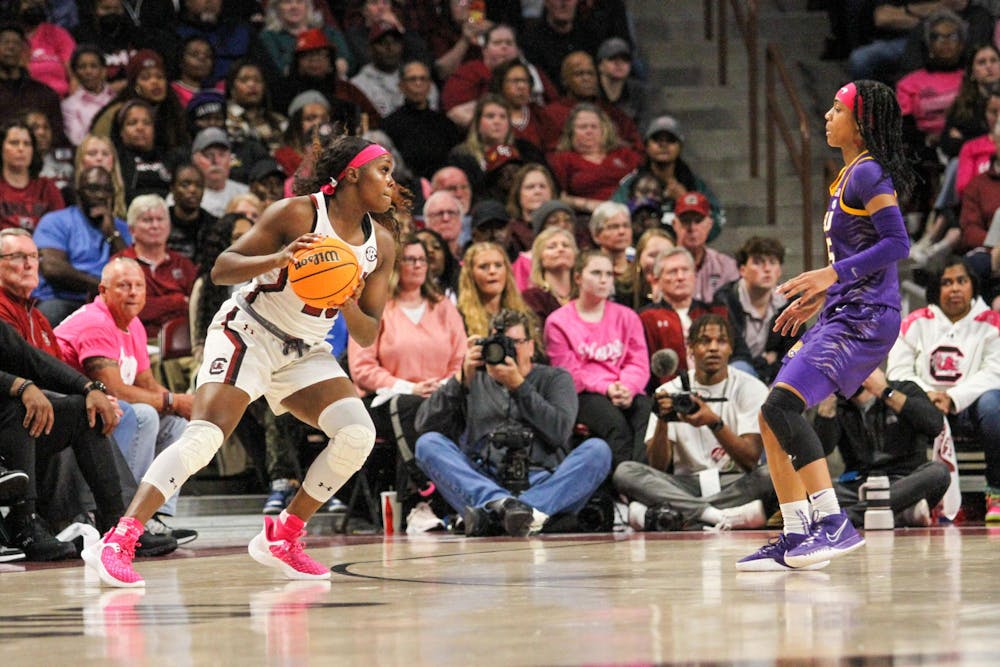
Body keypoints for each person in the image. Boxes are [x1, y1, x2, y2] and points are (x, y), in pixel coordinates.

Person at [82, 133, 399, 588]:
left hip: (304, 349)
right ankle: (118, 539)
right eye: (383, 171)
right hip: (248, 333)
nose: (392, 182)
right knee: (203, 439)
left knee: (356, 434)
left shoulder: (381, 244)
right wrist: (281, 258)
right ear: (351, 175)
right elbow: (223, 268)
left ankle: (283, 535)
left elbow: (368, 331)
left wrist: (348, 301)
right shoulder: (297, 212)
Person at [737, 80, 916, 572]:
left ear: (861, 123)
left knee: (782, 407)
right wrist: (822, 295)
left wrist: (829, 274)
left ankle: (833, 522)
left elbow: (898, 245)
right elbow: (862, 257)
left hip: (866, 318)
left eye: (837, 109)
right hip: (842, 311)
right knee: (770, 418)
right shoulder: (847, 177)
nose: (827, 116)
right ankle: (797, 533)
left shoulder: (870, 173)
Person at [414, 308, 612, 536]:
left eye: (515, 342)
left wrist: (519, 386)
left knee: (598, 451)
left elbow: (558, 432)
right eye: (499, 343)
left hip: (544, 481)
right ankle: (507, 507)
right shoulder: (473, 378)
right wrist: (460, 379)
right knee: (427, 444)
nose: (507, 350)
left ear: (531, 345)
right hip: (483, 480)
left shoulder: (555, 379)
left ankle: (500, 516)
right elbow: (424, 425)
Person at [614, 314, 773, 531]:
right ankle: (717, 516)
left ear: (731, 349)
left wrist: (714, 423)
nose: (713, 348)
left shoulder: (751, 388)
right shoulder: (668, 391)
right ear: (690, 348)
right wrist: (662, 421)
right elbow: (658, 466)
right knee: (626, 471)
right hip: (683, 483)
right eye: (705, 341)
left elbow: (749, 461)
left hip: (733, 482)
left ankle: (672, 516)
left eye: (721, 341)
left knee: (773, 473)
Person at [348, 234, 466, 509]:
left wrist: (443, 387)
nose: (417, 265)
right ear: (394, 264)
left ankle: (444, 500)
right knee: (413, 409)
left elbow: (461, 359)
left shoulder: (444, 307)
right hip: (387, 400)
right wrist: (408, 387)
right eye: (410, 259)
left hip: (441, 396)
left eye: (422, 260)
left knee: (447, 410)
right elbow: (362, 368)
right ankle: (423, 500)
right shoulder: (374, 307)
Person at [886, 257, 1000, 522]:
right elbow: (897, 371)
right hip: (925, 407)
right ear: (936, 288)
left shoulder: (992, 323)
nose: (955, 288)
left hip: (971, 409)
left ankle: (996, 492)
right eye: (947, 282)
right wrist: (927, 394)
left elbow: (995, 371)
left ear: (973, 285)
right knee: (895, 399)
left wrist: (953, 397)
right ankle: (910, 494)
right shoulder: (915, 322)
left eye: (962, 281)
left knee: (994, 404)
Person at [544, 249, 652, 467]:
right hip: (584, 394)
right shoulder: (558, 321)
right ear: (578, 277)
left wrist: (627, 387)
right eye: (596, 273)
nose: (604, 280)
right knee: (614, 424)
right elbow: (569, 374)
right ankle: (624, 488)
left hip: (624, 389)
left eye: (609, 274)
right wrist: (607, 388)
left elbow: (638, 362)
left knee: (648, 413)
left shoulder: (627, 316)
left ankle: (642, 483)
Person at [814, 367, 952, 528]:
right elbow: (819, 451)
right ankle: (902, 513)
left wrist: (885, 392)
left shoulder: (905, 389)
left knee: (938, 472)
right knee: (814, 490)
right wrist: (826, 406)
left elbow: (934, 425)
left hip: (906, 482)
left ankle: (852, 517)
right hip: (860, 486)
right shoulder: (839, 405)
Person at [33, 165, 132, 326]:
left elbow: (131, 272)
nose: (100, 195)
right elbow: (52, 269)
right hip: (64, 299)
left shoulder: (120, 229)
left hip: (109, 304)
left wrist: (112, 234)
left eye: (106, 190)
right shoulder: (56, 221)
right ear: (78, 192)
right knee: (51, 312)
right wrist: (100, 285)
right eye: (93, 189)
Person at [612, 115, 726, 241]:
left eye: (670, 140)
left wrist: (685, 200)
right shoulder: (631, 183)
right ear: (646, 146)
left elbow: (716, 224)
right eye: (657, 140)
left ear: (680, 147)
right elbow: (612, 218)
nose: (663, 145)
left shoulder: (695, 184)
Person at [712, 236, 800, 385]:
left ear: (779, 271)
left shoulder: (791, 302)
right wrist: (764, 361)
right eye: (758, 262)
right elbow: (734, 349)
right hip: (735, 371)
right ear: (742, 270)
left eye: (772, 262)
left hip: (775, 373)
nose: (766, 269)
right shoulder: (725, 299)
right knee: (740, 369)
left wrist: (770, 368)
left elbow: (794, 350)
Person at [112, 195, 198, 338]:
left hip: (181, 345)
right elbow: (130, 309)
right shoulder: (120, 264)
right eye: (147, 220)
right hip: (133, 342)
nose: (155, 225)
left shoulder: (183, 264)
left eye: (160, 219)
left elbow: (196, 308)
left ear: (169, 226)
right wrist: (177, 301)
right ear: (131, 229)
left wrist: (153, 305)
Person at [548, 103, 642, 214]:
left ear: (604, 129)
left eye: (594, 127)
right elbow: (559, 197)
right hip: (586, 216)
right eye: (583, 127)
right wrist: (588, 205)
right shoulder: (563, 159)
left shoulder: (624, 154)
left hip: (630, 212)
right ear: (571, 131)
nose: (589, 131)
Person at [381, 60, 462, 181]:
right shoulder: (389, 125)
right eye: (412, 79)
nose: (418, 83)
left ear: (430, 85)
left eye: (423, 79)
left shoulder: (445, 124)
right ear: (401, 86)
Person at [456, 241, 533, 340]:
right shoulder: (459, 318)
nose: (492, 271)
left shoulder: (524, 314)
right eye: (483, 267)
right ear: (470, 275)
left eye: (498, 265)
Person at [0, 23, 64, 142]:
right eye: (4, 42)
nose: (11, 47)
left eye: (16, 43)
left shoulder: (45, 95)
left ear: (26, 51)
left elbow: (57, 136)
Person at [0, 117, 65, 232]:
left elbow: (60, 230)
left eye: (27, 144)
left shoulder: (47, 187)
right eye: (14, 143)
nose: (21, 148)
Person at [672, 192, 738, 304]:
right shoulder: (664, 266)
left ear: (710, 224)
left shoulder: (726, 266)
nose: (692, 227)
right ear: (674, 224)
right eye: (686, 221)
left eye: (698, 220)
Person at [521, 226, 578, 325]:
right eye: (552, 247)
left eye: (566, 245)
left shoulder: (585, 294)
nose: (561, 249)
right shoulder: (532, 298)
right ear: (540, 258)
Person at [61, 44, 115, 146]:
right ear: (75, 72)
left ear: (103, 70)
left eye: (94, 66)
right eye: (82, 67)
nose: (88, 71)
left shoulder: (116, 99)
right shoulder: (69, 106)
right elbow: (77, 141)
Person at [189, 127, 249, 218]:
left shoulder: (246, 195)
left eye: (221, 154)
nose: (216, 161)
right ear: (194, 160)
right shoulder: (183, 199)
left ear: (230, 158)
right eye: (208, 155)